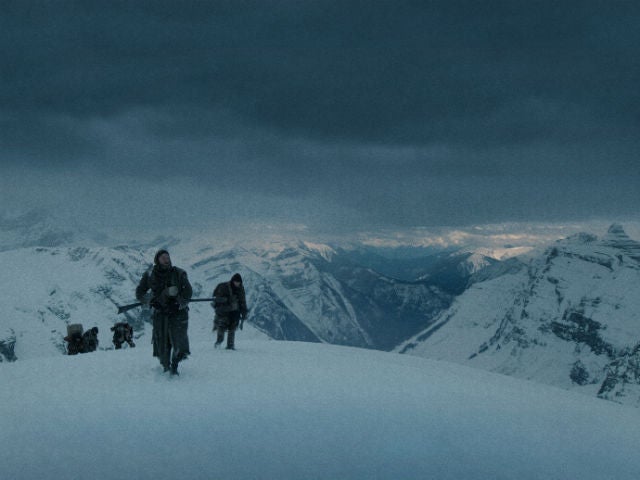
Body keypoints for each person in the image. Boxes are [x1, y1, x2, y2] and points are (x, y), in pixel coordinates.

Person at [136, 249, 192, 375]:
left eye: (167, 257)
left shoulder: (179, 273)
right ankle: (166, 366)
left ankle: (175, 365)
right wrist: (150, 301)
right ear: (157, 260)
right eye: (163, 257)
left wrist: (178, 303)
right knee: (162, 342)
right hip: (160, 314)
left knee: (179, 342)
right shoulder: (150, 275)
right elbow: (140, 292)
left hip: (177, 313)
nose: (166, 259)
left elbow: (188, 292)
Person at [212, 273, 248, 350]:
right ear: (233, 281)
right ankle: (219, 342)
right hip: (223, 311)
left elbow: (242, 301)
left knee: (232, 328)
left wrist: (244, 311)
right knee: (221, 327)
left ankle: (230, 345)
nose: (237, 283)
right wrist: (225, 301)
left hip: (235, 311)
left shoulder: (241, 289)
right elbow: (216, 299)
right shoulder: (223, 287)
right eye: (236, 282)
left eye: (239, 282)